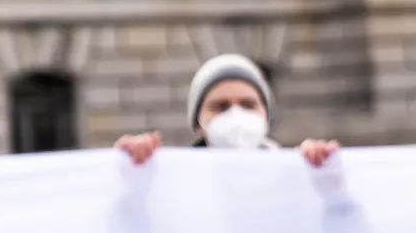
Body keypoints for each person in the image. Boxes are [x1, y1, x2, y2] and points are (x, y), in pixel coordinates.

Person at [116, 53, 339, 168]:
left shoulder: (293, 174)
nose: (236, 114)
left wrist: (323, 176)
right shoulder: (175, 180)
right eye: (220, 107)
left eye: (248, 105)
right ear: (197, 123)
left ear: (266, 116)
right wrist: (131, 172)